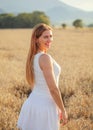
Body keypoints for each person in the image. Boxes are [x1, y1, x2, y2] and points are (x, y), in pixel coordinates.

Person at [17, 23, 68, 130]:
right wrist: (63, 110)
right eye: (45, 37)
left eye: (51, 36)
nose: (49, 40)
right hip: (44, 108)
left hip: (33, 103)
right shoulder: (44, 58)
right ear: (36, 39)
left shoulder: (33, 57)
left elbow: (33, 85)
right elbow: (53, 89)